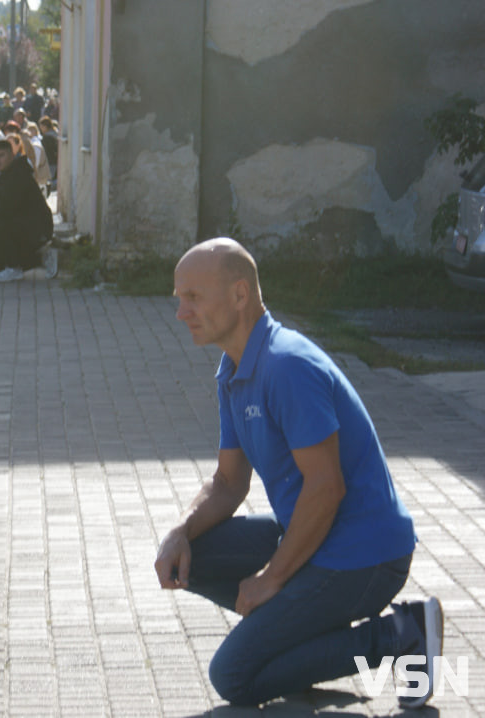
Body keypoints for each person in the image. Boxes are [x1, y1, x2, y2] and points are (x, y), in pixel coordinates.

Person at [155, 238, 437, 709]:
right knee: (193, 556)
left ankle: (402, 635)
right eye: (179, 298)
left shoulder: (287, 367)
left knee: (234, 675)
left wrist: (272, 577)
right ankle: (303, 638)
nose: (182, 312)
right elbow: (228, 484)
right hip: (317, 538)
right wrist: (179, 531)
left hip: (364, 556)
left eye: (194, 297)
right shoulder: (234, 369)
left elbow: (326, 489)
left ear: (240, 295)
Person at [0, 140, 56, 283]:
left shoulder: (18, 175)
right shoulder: (8, 174)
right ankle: (26, 262)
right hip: (27, 224)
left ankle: (14, 268)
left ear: (12, 155)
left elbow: (7, 208)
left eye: (1, 155)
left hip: (39, 229)